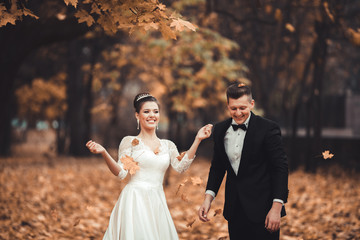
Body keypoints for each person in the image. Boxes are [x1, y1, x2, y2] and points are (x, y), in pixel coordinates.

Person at [86, 93, 212, 240]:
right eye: (146, 111)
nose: (152, 115)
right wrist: (104, 152)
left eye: (155, 111)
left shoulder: (168, 145)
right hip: (134, 200)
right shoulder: (130, 142)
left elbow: (181, 167)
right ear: (137, 115)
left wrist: (197, 139)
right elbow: (121, 173)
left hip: (157, 201)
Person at [198, 83, 288, 240]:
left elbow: (280, 168)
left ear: (251, 104)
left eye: (242, 108)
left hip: (264, 211)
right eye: (233, 108)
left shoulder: (268, 129)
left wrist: (276, 208)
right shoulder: (219, 130)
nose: (238, 113)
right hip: (234, 210)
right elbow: (217, 168)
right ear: (228, 106)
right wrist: (207, 199)